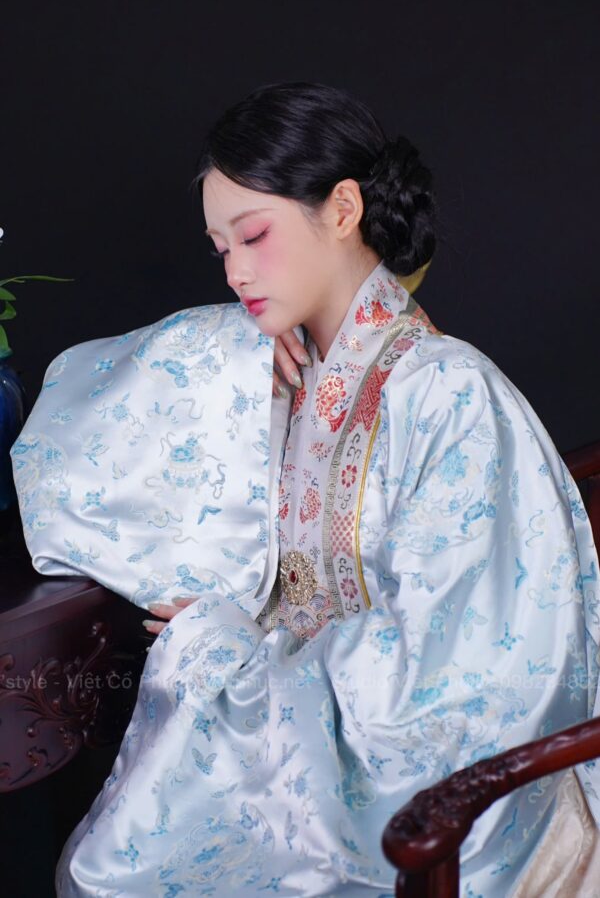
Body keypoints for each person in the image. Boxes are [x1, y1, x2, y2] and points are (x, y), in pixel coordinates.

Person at [10, 81, 600, 897]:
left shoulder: (451, 395)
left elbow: (460, 687)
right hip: (297, 760)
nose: (236, 272)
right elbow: (70, 441)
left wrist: (224, 651)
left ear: (344, 208)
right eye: (220, 249)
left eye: (254, 235)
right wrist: (230, 343)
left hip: (432, 793)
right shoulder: (264, 369)